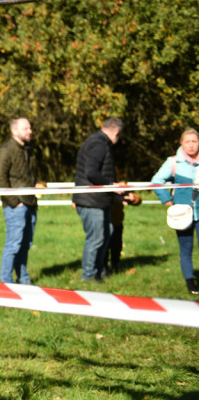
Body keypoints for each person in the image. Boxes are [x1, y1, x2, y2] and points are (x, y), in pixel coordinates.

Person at [73, 118, 124, 282]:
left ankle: (100, 270)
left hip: (99, 200)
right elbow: (91, 172)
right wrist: (111, 185)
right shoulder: (99, 145)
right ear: (116, 133)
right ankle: (88, 275)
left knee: (107, 233)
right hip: (91, 200)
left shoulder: (98, 142)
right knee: (96, 238)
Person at [0, 117, 39, 285]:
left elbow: (29, 175)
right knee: (14, 244)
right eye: (26, 128)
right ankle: (6, 281)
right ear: (14, 131)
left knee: (26, 243)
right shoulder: (6, 151)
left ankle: (23, 278)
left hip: (31, 203)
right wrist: (14, 202)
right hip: (16, 206)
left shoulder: (28, 150)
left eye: (30, 128)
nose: (30, 131)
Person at [152, 128, 199, 295]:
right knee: (186, 249)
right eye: (188, 141)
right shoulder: (173, 162)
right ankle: (191, 285)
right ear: (181, 144)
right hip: (182, 214)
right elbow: (157, 181)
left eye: (194, 141)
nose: (191, 145)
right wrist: (167, 200)